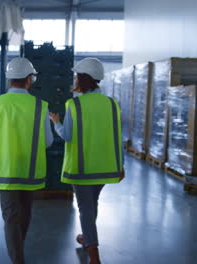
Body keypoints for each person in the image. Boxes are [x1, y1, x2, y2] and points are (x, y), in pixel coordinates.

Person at [0, 57, 54, 264]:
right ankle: (18, 250)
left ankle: (17, 259)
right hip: (30, 169)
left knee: (10, 215)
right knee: (25, 212)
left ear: (9, 79)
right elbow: (48, 142)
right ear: (29, 79)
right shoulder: (40, 106)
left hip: (5, 170)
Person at [49, 58, 125, 264]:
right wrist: (121, 165)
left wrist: (56, 123)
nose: (74, 79)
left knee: (85, 207)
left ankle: (93, 253)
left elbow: (67, 136)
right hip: (106, 167)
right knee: (92, 204)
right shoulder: (112, 104)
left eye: (76, 76)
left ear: (82, 79)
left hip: (81, 168)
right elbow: (118, 136)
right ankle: (87, 238)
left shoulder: (74, 105)